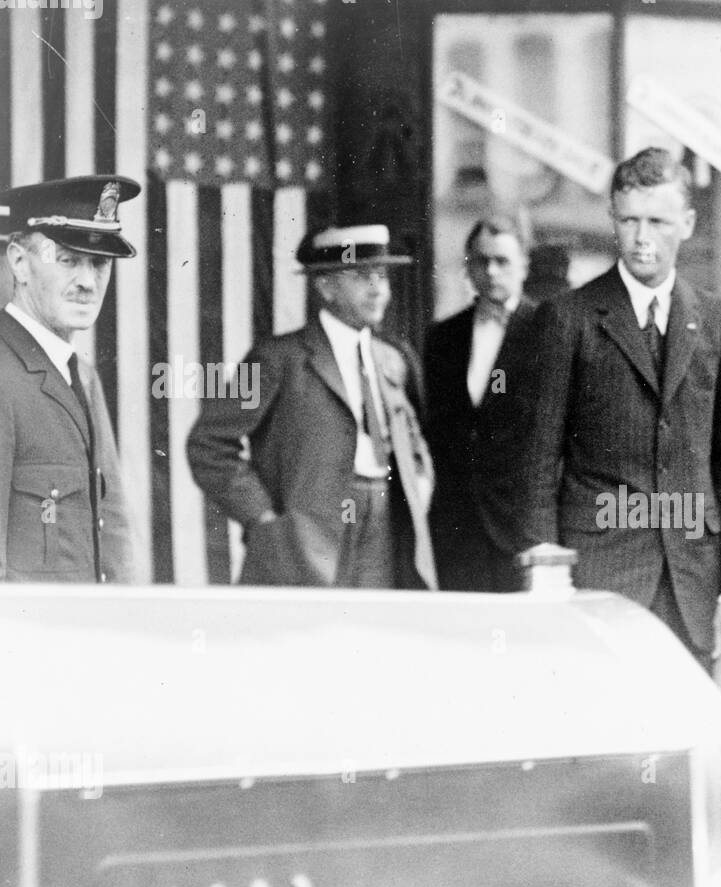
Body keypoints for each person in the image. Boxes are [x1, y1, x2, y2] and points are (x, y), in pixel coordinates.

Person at [518, 147, 721, 667]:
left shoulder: (716, 319)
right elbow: (537, 466)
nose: (642, 237)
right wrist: (548, 586)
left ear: (688, 224)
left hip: (694, 585)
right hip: (598, 581)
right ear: (613, 218)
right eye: (629, 220)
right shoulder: (567, 318)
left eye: (658, 221)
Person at [188, 225, 435, 589]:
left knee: (373, 634)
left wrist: (421, 483)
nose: (378, 288)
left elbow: (413, 440)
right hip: (304, 537)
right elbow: (209, 445)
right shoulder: (275, 359)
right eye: (361, 276)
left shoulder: (393, 359)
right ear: (325, 287)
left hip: (385, 526)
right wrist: (263, 518)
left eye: (382, 275)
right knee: (303, 638)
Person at [0, 175, 142, 584]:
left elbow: (111, 526)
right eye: (67, 260)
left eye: (99, 263)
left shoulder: (80, 373)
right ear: (20, 262)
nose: (87, 282)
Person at [423, 216, 538, 591]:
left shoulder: (551, 333)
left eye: (502, 261)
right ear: (467, 268)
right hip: (456, 529)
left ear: (524, 265)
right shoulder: (443, 338)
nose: (490, 271)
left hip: (523, 530)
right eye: (480, 261)